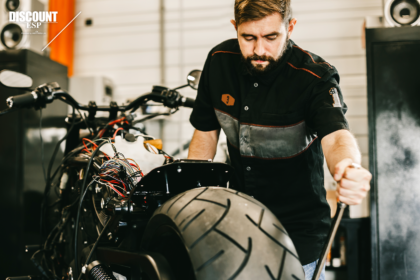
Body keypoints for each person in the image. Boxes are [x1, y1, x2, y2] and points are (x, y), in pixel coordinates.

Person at [187, 0, 372, 279]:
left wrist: (348, 167)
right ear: (235, 28)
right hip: (235, 223)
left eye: (271, 37)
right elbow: (204, 136)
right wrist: (191, 201)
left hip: (298, 234)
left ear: (290, 27)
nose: (259, 50)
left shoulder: (315, 77)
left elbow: (335, 137)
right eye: (248, 38)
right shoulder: (218, 61)